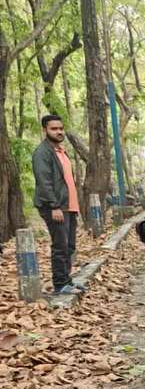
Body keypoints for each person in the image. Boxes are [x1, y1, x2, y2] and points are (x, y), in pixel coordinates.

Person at [32, 114, 84, 295]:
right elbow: (44, 181)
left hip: (68, 205)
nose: (59, 131)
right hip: (55, 207)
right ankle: (60, 284)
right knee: (60, 245)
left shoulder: (61, 151)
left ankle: (67, 280)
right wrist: (54, 206)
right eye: (54, 129)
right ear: (45, 130)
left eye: (61, 128)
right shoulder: (42, 153)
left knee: (69, 246)